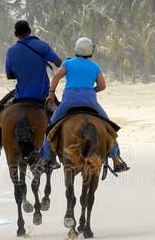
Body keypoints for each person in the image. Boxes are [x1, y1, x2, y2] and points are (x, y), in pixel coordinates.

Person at [39, 36, 130, 173]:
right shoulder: (95, 66)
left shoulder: (68, 63)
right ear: (90, 51)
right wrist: (93, 90)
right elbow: (102, 85)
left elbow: (56, 77)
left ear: (76, 49)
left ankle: (44, 160)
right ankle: (116, 159)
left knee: (50, 127)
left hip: (69, 102)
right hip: (90, 102)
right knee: (109, 128)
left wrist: (51, 93)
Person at [0, 20, 62, 158]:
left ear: (16, 34)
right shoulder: (42, 46)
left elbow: (9, 76)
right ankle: (57, 153)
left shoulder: (11, 51)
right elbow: (59, 63)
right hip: (43, 94)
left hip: (21, 95)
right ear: (30, 30)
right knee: (61, 115)